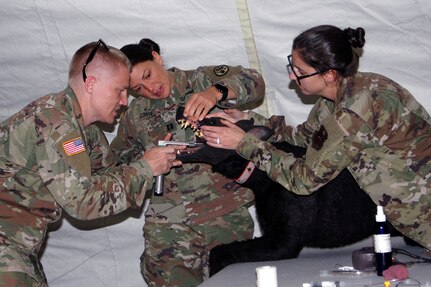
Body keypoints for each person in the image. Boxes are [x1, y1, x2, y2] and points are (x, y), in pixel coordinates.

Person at [201, 25, 431, 250]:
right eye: (292, 65)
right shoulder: (348, 93)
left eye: (300, 71)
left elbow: (304, 180)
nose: (292, 76)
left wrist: (244, 143)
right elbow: (303, 137)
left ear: (329, 74)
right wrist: (250, 121)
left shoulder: (352, 113)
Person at [0, 39, 183, 286]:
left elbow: (110, 175)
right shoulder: (55, 123)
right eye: (119, 90)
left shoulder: (85, 132)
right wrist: (146, 167)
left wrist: (156, 158)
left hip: (18, 245)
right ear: (91, 84)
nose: (124, 101)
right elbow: (82, 201)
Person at [110, 38, 265, 286]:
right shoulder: (135, 115)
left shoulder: (201, 80)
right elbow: (117, 160)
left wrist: (216, 93)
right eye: (137, 88)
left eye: (148, 75)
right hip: (169, 223)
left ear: (156, 58)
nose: (150, 89)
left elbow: (255, 81)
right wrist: (147, 160)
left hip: (223, 213)